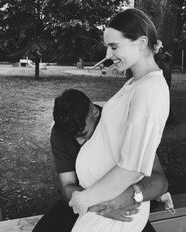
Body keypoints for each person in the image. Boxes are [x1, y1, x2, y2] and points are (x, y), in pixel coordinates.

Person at [67, 8, 170, 232]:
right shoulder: (136, 84)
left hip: (113, 207)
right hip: (105, 203)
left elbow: (132, 168)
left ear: (141, 43)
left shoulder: (150, 91)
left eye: (114, 46)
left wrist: (84, 198)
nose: (108, 53)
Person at [33, 89, 168, 232]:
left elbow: (160, 181)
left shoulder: (121, 123)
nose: (79, 142)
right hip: (82, 199)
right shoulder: (60, 132)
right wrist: (103, 207)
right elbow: (68, 186)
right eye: (72, 137)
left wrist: (127, 198)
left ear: (94, 112)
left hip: (126, 201)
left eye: (83, 134)